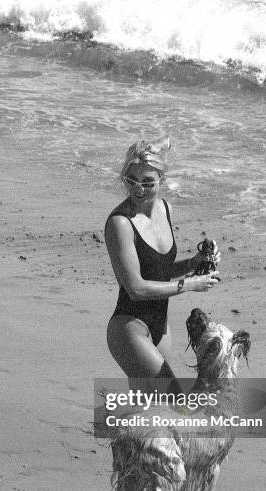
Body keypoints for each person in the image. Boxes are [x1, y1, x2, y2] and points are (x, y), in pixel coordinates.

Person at [105, 137, 220, 393]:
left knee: (146, 411)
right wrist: (189, 284)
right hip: (129, 329)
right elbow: (136, 288)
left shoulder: (165, 209)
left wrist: (194, 262)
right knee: (175, 403)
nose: (139, 190)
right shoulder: (120, 224)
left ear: (162, 181)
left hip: (160, 328)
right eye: (131, 180)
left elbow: (158, 270)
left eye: (148, 182)